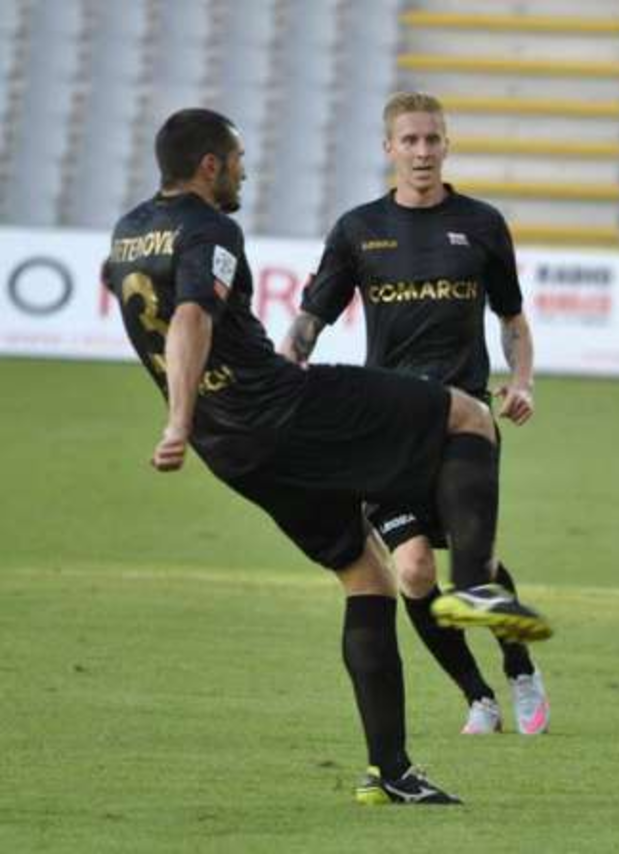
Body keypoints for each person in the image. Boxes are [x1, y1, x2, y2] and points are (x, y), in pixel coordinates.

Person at [103, 108, 552, 805]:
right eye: (238, 160)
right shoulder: (211, 228)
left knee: (367, 578)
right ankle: (473, 587)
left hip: (233, 448)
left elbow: (150, 318)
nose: (245, 171)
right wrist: (176, 420)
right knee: (468, 414)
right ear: (210, 165)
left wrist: (195, 418)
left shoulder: (127, 234)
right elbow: (191, 316)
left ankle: (391, 773)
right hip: (280, 409)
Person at [279, 92, 549, 737]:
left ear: (447, 145)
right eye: (410, 140)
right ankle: (477, 696)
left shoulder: (482, 224)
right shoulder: (358, 230)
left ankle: (520, 669)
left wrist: (523, 382)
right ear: (389, 148)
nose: (422, 151)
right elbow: (311, 321)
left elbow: (512, 319)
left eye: (432, 139)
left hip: (464, 420)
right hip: (388, 424)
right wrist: (283, 380)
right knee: (413, 568)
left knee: (475, 564)